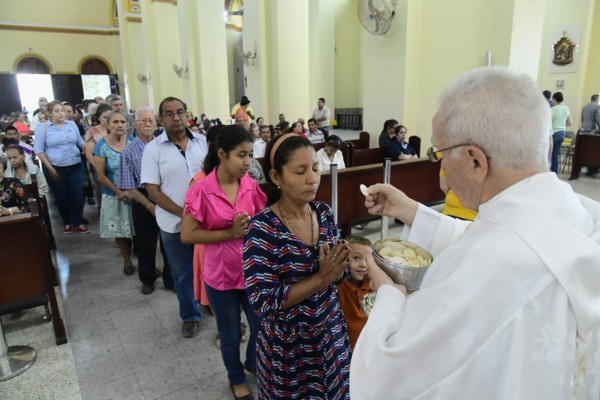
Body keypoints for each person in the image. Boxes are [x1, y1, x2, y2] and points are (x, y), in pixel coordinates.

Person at [351, 67, 600, 400]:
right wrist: (411, 211)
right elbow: (512, 238)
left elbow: (388, 378)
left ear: (475, 161)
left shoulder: (487, 267)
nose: (440, 170)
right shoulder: (577, 210)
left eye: (439, 154)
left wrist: (389, 297)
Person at [244, 133, 352, 399]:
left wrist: (347, 263)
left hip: (330, 333)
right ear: (276, 176)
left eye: (315, 168)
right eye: (300, 171)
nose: (312, 178)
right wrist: (321, 278)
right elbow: (262, 300)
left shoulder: (324, 213)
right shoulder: (262, 229)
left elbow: (339, 272)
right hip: (288, 348)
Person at [182, 125, 266, 400]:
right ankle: (236, 378)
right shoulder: (202, 189)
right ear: (222, 154)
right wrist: (228, 233)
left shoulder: (250, 186)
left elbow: (262, 222)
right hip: (220, 277)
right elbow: (187, 234)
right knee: (229, 334)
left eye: (250, 154)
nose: (247, 162)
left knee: (261, 327)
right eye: (241, 155)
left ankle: (253, 363)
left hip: (252, 274)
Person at [141, 96, 208, 338]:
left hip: (205, 223)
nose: (176, 117)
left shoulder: (202, 142)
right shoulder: (153, 149)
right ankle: (189, 315)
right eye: (169, 113)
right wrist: (185, 214)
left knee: (208, 268)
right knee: (181, 273)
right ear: (161, 118)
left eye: (180, 111)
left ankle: (209, 303)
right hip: (173, 224)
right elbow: (153, 191)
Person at [120, 106, 173, 294]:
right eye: (144, 120)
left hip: (165, 197)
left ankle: (170, 279)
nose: (148, 123)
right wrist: (149, 204)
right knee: (146, 243)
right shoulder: (129, 150)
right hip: (142, 199)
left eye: (151, 120)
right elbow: (128, 186)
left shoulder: (164, 145)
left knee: (169, 241)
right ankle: (148, 279)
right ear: (135, 124)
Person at [34, 101, 90, 234]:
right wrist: (50, 168)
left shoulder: (71, 124)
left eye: (62, 110)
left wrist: (87, 147)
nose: (61, 113)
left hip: (75, 164)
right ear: (50, 113)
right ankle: (66, 222)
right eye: (57, 111)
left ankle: (77, 223)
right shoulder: (43, 128)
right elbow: (39, 150)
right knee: (62, 197)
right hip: (56, 166)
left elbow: (79, 141)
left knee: (78, 194)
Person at [94, 110, 135, 275]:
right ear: (108, 125)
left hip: (133, 193)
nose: (119, 125)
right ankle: (127, 260)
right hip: (114, 194)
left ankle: (145, 260)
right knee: (120, 230)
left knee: (137, 227)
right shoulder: (101, 145)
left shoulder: (133, 142)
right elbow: (101, 176)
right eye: (115, 122)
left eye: (123, 122)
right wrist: (119, 193)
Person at [336, 235, 374, 351]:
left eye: (368, 260)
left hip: (370, 354)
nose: (364, 265)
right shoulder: (337, 287)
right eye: (356, 258)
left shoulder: (373, 285)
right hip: (346, 357)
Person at [550, 91, 572, 173]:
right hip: (562, 133)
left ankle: (548, 173)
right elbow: (570, 123)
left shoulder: (552, 109)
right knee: (555, 154)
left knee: (548, 154)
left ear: (554, 99)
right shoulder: (566, 108)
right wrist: (561, 127)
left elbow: (549, 123)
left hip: (554, 133)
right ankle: (554, 173)